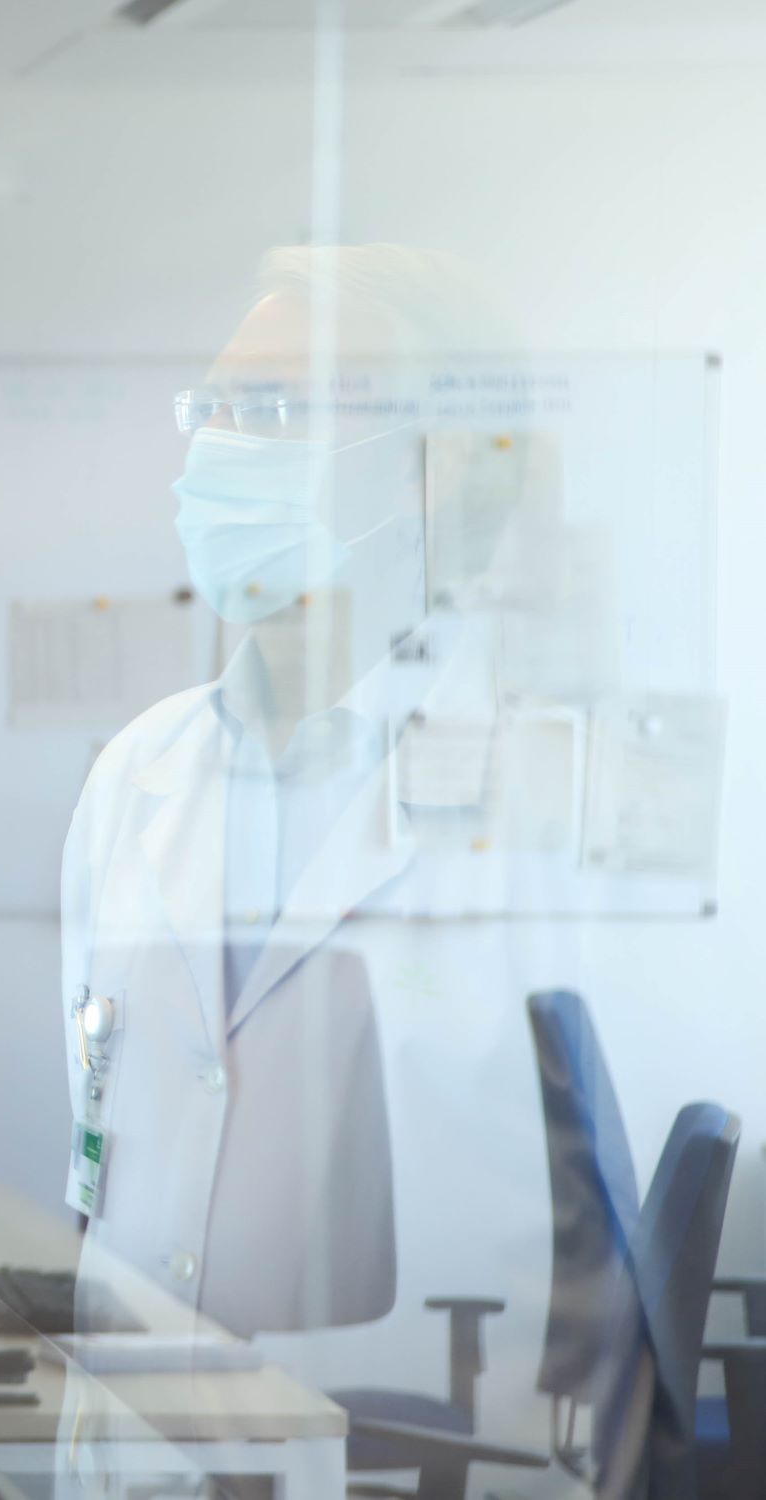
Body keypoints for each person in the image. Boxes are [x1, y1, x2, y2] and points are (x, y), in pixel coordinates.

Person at [57, 245, 612, 1484]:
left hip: (423, 1463)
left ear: (435, 465)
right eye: (212, 412)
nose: (220, 452)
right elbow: (102, 1156)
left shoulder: (553, 807)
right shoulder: (134, 782)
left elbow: (614, 1259)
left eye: (277, 410)